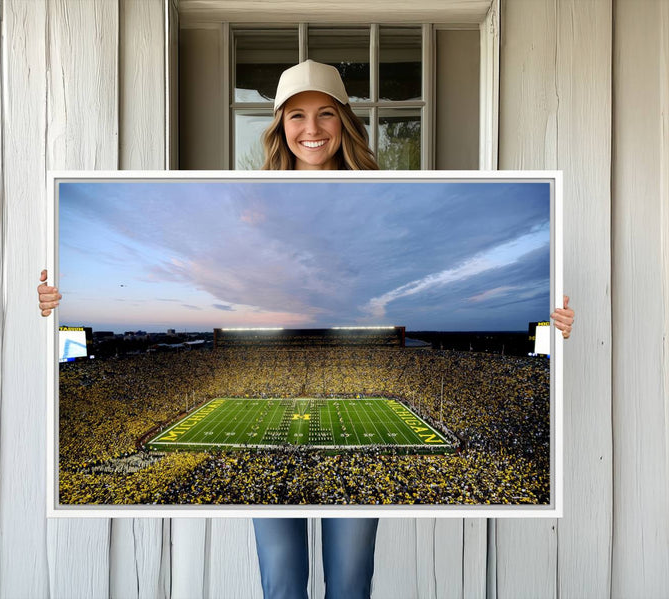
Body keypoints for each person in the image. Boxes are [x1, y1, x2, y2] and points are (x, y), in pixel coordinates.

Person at [37, 60, 575, 599]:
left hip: (352, 341)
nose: (311, 129)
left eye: (325, 114)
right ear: (279, 126)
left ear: (344, 121)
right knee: (282, 581)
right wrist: (57, 302)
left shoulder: (384, 198)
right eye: (297, 115)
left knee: (350, 581)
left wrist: (554, 318)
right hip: (275, 344)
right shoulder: (252, 202)